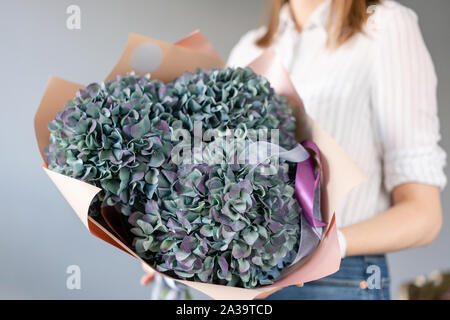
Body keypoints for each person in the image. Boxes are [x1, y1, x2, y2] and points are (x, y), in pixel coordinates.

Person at [141, 0, 446, 300]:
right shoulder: (250, 48)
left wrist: (326, 249)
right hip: (251, 285)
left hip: (338, 282)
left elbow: (423, 215)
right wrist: (173, 245)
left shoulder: (386, 26)